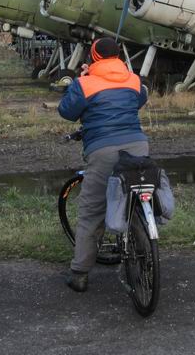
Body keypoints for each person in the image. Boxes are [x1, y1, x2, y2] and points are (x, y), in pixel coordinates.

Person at [57, 37, 148, 292]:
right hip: (138, 146)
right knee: (137, 201)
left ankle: (80, 274)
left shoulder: (84, 83)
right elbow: (139, 100)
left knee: (92, 210)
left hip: (103, 149)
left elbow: (66, 111)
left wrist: (81, 81)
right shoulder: (133, 79)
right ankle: (144, 249)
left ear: (92, 57)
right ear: (118, 56)